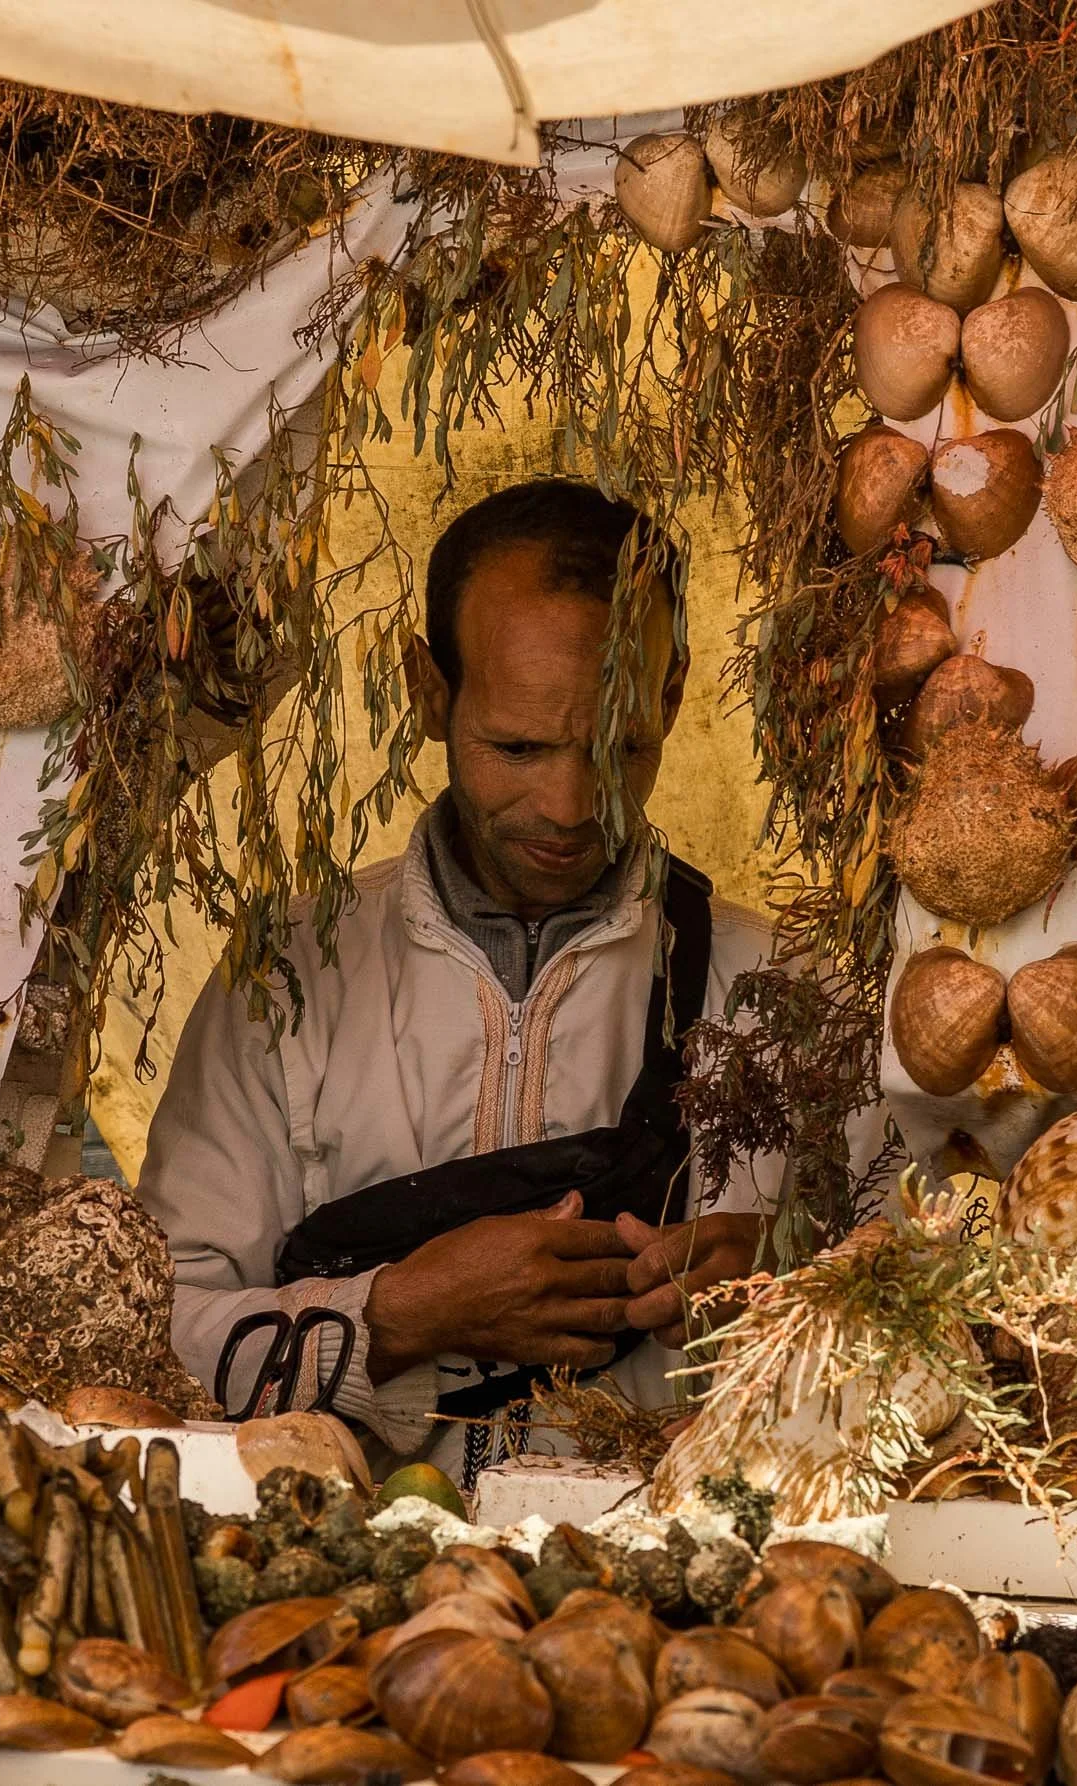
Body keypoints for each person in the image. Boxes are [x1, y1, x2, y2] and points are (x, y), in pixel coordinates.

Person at [135, 478, 788, 1480]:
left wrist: (789, 1288)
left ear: (671, 691)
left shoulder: (784, 991)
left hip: (675, 1601)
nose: (569, 805)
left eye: (620, 747)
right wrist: (397, 1316)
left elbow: (935, 1321)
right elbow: (154, 1327)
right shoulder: (286, 977)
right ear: (429, 690)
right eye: (516, 747)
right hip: (342, 1593)